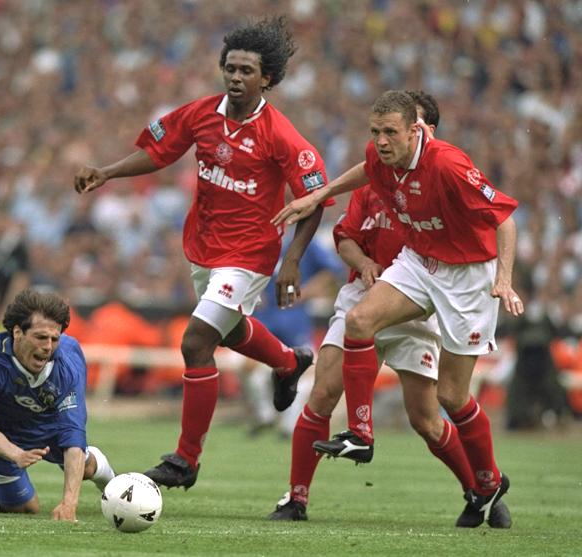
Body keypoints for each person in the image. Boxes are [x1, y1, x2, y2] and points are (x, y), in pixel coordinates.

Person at [74, 17, 333, 489]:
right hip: (203, 247)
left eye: (246, 71)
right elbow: (160, 152)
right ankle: (287, 362)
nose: (235, 77)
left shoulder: (281, 135)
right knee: (230, 332)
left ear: (267, 78)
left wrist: (292, 260)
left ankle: (186, 460)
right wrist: (107, 172)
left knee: (196, 342)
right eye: (230, 68)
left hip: (250, 254)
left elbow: (313, 199)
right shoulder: (201, 113)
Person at [273, 90, 521, 526]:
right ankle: (359, 435)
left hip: (467, 277)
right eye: (376, 132)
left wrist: (503, 279)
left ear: (417, 130)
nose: (381, 141)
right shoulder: (380, 164)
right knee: (358, 321)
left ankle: (487, 481)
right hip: (417, 263)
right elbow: (363, 175)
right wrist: (319, 196)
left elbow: (504, 219)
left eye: (390, 132)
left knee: (449, 399)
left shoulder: (448, 164)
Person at [0, 288, 116, 521]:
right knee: (23, 507)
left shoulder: (67, 364)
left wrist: (69, 503)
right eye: (41, 337)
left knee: (86, 467)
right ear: (17, 332)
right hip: (0, 431)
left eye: (55, 339)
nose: (48, 346)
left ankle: (116, 490)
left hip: (48, 424)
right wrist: (16, 454)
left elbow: (73, 435)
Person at [244, 234, 343, 437]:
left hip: (294, 317)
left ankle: (289, 426)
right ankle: (266, 416)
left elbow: (332, 270)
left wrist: (306, 292)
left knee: (303, 368)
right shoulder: (261, 237)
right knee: (252, 370)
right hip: (266, 314)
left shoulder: (303, 239)